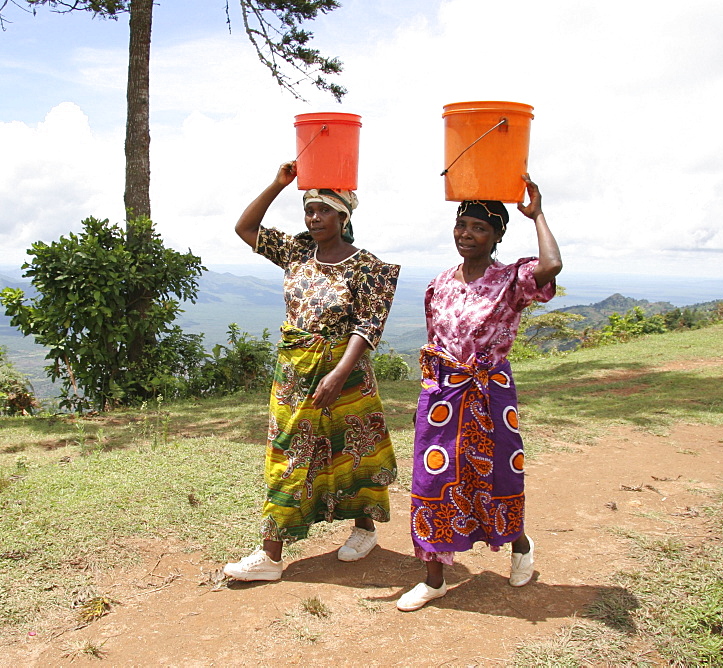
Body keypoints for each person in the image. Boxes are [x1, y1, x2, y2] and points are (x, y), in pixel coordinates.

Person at [222, 161, 400, 582]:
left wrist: (338, 373)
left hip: (347, 371)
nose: (315, 218)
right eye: (309, 210)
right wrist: (279, 184)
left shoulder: (367, 267)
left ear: (344, 216)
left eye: (324, 210)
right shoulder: (297, 251)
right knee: (289, 454)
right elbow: (245, 229)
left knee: (355, 449)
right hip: (294, 372)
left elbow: (367, 324)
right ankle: (271, 555)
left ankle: (364, 528)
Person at [397, 175, 562, 611]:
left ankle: (520, 545)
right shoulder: (439, 283)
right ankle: (433, 579)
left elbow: (551, 266)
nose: (466, 234)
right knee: (431, 480)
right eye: (461, 225)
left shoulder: (511, 280)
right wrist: (425, 399)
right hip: (442, 396)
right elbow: (435, 343)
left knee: (498, 477)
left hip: (490, 395)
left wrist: (538, 214)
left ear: (498, 236)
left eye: (479, 228)